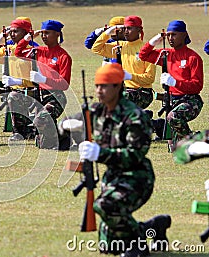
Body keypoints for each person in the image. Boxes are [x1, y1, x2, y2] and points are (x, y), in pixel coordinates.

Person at [73, 63, 171, 257]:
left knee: (105, 206)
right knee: (108, 246)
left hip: (136, 177)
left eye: (104, 86)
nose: (99, 90)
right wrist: (66, 125)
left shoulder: (134, 117)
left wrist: (99, 154)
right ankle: (154, 226)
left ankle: (138, 246)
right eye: (97, 86)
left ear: (118, 87)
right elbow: (76, 120)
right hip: (113, 177)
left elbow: (134, 155)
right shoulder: (97, 111)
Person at [139, 20, 204, 150]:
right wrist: (155, 40)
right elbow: (143, 55)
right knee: (173, 146)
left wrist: (175, 83)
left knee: (173, 117)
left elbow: (197, 86)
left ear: (184, 35)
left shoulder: (193, 57)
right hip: (172, 101)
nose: (170, 38)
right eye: (168, 35)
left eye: (174, 34)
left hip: (190, 100)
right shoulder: (166, 54)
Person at [15, 19, 72, 150]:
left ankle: (62, 137)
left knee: (41, 119)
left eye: (48, 33)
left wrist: (44, 79)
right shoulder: (38, 51)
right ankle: (60, 137)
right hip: (40, 95)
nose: (44, 36)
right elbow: (18, 53)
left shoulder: (63, 56)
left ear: (57, 34)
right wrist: (27, 39)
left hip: (56, 97)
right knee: (42, 145)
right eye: (42, 33)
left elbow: (64, 84)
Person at [0, 17, 36, 141]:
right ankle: (20, 132)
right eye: (10, 31)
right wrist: (0, 38)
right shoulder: (9, 50)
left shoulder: (33, 50)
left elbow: (38, 78)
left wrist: (19, 82)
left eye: (16, 31)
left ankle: (21, 132)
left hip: (31, 91)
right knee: (13, 95)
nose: (12, 34)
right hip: (16, 92)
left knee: (13, 96)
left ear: (26, 33)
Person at [91, 15, 156, 110]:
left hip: (142, 92)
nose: (125, 32)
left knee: (117, 100)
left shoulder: (146, 50)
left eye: (129, 28)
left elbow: (150, 78)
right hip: (124, 90)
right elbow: (96, 49)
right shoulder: (120, 46)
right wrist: (107, 33)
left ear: (138, 30)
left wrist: (130, 76)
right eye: (124, 28)